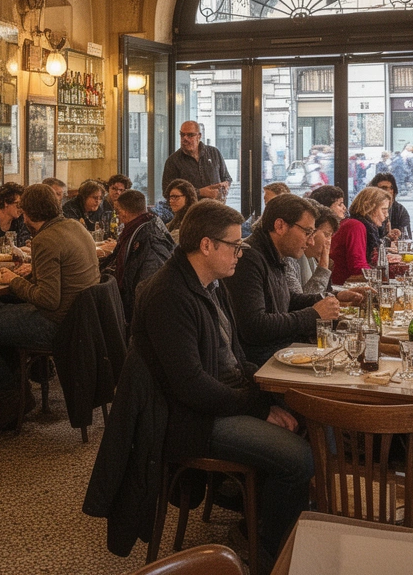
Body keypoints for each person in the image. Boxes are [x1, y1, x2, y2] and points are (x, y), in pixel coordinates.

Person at [134, 200, 313, 572]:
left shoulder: (211, 284)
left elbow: (235, 355)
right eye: (235, 246)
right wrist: (259, 407)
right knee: (298, 459)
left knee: (303, 412)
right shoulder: (169, 294)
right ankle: (267, 553)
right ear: (206, 245)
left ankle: (271, 519)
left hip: (220, 399)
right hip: (190, 419)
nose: (241, 253)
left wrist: (262, 392)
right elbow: (191, 386)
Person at [0, 183, 100, 430]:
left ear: (28, 213)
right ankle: (20, 390)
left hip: (58, 324)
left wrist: (12, 280)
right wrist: (32, 272)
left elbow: (48, 300)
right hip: (83, 321)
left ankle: (12, 397)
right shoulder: (75, 226)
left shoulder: (45, 239)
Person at [226, 194, 341, 364]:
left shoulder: (274, 255)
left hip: (280, 352)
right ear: (280, 226)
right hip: (264, 362)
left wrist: (331, 299)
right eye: (307, 232)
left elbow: (286, 300)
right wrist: (313, 314)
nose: (310, 242)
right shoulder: (249, 259)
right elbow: (255, 326)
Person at [101, 189, 175, 328]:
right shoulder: (146, 225)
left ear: (123, 212)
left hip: (139, 315)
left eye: (118, 211)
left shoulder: (148, 238)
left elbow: (149, 283)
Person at [328, 186, 391, 285]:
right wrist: (389, 273)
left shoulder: (354, 223)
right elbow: (358, 268)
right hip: (343, 287)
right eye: (383, 210)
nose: (387, 215)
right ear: (369, 208)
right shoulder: (356, 226)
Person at [162, 120, 232, 201]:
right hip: (189, 212)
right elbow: (167, 192)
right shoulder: (173, 161)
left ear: (199, 136)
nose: (185, 138)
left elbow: (227, 178)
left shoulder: (214, 153)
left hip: (215, 209)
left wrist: (225, 184)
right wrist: (200, 192)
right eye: (182, 135)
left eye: (190, 135)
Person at [287, 201, 342, 295]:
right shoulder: (290, 258)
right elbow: (305, 302)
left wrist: (339, 295)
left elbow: (322, 293)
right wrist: (324, 266)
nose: (329, 241)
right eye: (327, 235)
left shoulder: (311, 258)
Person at [369, 172, 411, 241]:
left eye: (391, 188)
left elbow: (407, 238)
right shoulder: (368, 210)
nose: (388, 191)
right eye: (383, 188)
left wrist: (398, 236)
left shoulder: (400, 210)